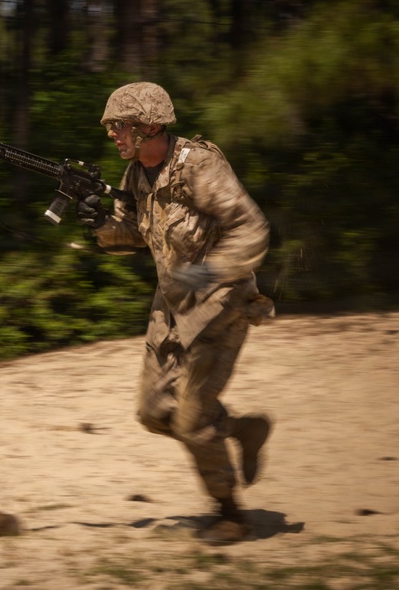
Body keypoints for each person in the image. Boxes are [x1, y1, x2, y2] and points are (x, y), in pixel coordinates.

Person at [77, 81, 275, 545]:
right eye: (110, 127)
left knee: (191, 420)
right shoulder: (136, 175)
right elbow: (133, 233)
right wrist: (99, 224)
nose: (112, 134)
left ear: (150, 127)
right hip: (170, 307)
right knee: (151, 411)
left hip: (221, 305)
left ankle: (231, 513)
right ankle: (243, 428)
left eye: (119, 126)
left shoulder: (199, 166)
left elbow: (252, 229)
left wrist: (211, 274)